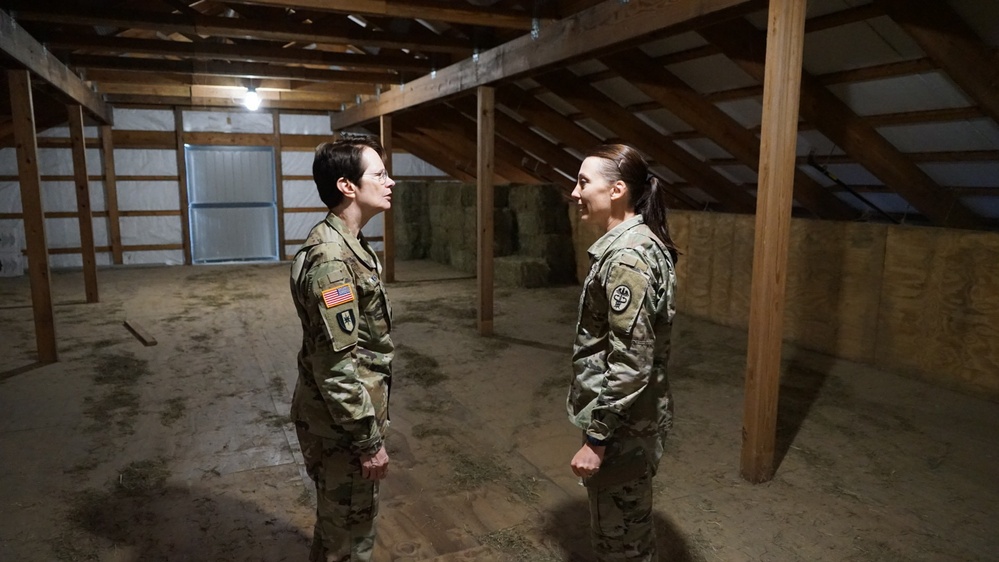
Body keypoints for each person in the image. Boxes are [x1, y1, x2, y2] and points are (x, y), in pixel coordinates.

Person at [566, 144, 679, 561]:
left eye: (583, 182)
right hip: (629, 423)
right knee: (628, 530)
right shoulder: (632, 244)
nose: (575, 192)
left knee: (621, 544)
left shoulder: (627, 256)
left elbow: (632, 362)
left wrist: (597, 439)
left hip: (623, 430)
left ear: (616, 190)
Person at [290, 134, 395, 562]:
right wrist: (368, 440)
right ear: (346, 186)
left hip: (342, 420)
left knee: (341, 528)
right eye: (380, 174)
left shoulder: (349, 244)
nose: (391, 182)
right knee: (348, 537)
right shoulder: (333, 260)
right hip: (340, 427)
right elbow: (336, 367)